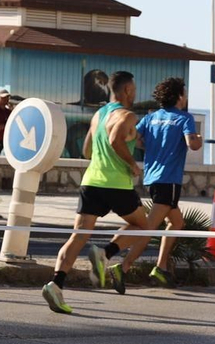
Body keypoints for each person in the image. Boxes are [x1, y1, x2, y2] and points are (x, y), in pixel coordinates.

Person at [40, 72, 155, 314]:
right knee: (142, 226)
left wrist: (105, 156)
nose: (134, 94)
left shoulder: (98, 116)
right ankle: (106, 253)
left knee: (78, 236)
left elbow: (87, 150)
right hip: (117, 185)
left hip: (91, 182)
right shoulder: (127, 115)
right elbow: (115, 140)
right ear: (127, 91)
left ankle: (55, 284)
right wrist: (132, 164)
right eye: (133, 89)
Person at [118, 77, 203, 286]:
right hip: (169, 180)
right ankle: (123, 266)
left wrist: (153, 148)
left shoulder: (151, 118)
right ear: (179, 96)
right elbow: (191, 144)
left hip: (153, 178)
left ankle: (161, 266)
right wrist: (199, 138)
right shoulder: (185, 118)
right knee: (149, 228)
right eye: (185, 93)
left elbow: (135, 138)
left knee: (177, 222)